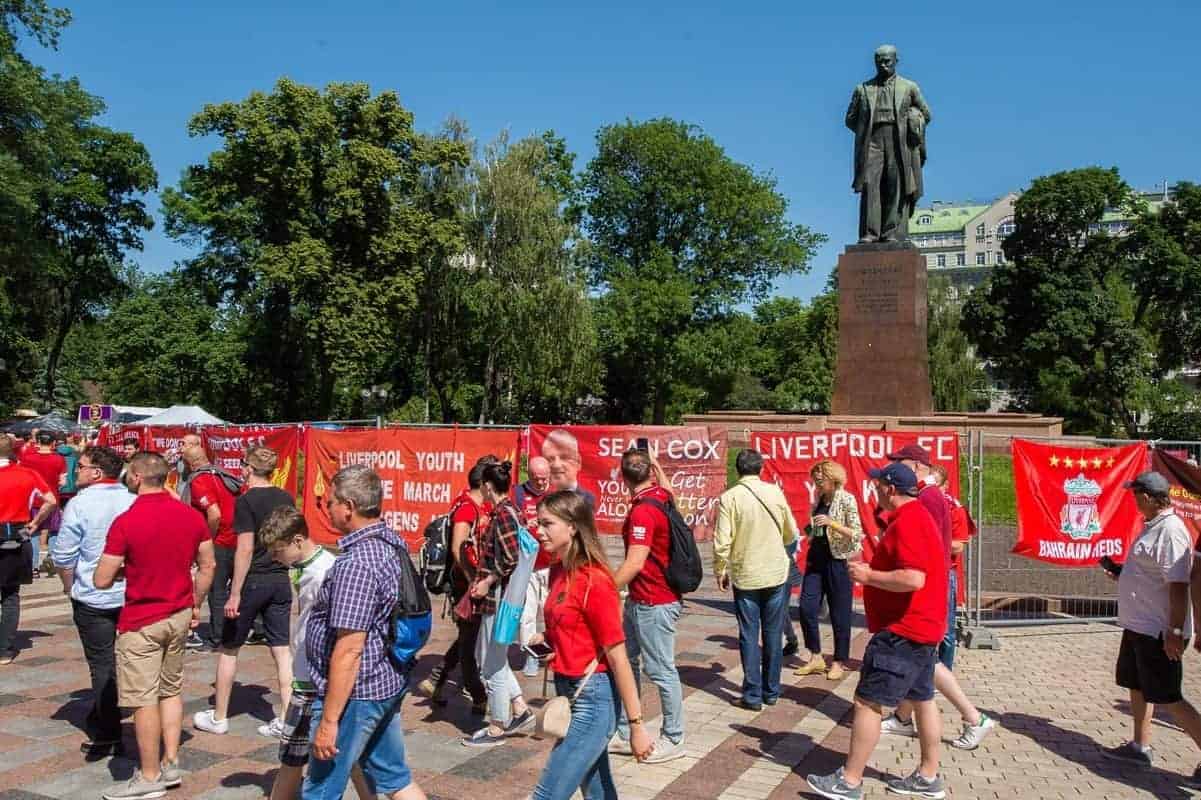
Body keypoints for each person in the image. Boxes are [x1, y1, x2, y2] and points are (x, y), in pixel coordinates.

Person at [807, 463, 947, 800]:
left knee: (867, 702)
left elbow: (914, 578)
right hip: (923, 628)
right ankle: (928, 776)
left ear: (890, 488)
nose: (874, 490)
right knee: (922, 698)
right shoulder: (915, 516)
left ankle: (849, 781)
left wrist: (869, 577)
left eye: (877, 484)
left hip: (903, 630)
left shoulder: (910, 521)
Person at [94, 452, 216, 800]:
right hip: (178, 613)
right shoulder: (190, 516)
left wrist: (126, 570)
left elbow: (102, 579)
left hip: (141, 619)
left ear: (135, 476)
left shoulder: (127, 521)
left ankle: (149, 777)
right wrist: (196, 602)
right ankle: (171, 760)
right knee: (170, 689)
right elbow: (207, 566)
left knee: (142, 698)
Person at [302, 464, 428, 800]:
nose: (327, 508)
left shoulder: (358, 563)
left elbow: (349, 648)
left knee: (320, 789)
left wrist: (329, 721)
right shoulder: (390, 541)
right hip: (384, 679)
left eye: (330, 502)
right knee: (395, 779)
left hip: (357, 692)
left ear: (349, 507)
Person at [527, 490, 654, 798]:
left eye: (547, 524)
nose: (539, 531)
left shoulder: (595, 581)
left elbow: (619, 658)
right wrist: (551, 641)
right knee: (597, 789)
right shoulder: (559, 570)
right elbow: (572, 626)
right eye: (538, 523)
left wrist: (637, 726)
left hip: (593, 698)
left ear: (572, 526)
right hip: (569, 688)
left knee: (548, 793)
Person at [258, 505, 373, 800]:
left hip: (313, 677)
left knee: (293, 754)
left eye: (278, 550)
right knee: (348, 754)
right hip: (312, 673)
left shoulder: (322, 573)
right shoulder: (311, 567)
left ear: (298, 541)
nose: (275, 558)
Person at [881, 458, 996, 751]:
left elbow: (944, 543)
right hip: (930, 583)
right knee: (921, 662)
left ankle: (973, 717)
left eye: (904, 464)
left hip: (929, 585)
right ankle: (905, 719)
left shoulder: (932, 499)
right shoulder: (928, 498)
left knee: (926, 657)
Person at [1101, 471, 1201, 783]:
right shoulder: (1153, 527)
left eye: (1135, 495)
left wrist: (1173, 631)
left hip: (1158, 629)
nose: (1133, 500)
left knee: (1169, 696)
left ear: (1146, 496)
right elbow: (1150, 573)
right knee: (1137, 685)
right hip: (1138, 625)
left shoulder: (1170, 531)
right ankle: (1140, 746)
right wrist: (1122, 573)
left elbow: (1177, 584)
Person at [193, 445, 295, 738]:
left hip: (253, 581)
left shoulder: (246, 500)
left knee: (229, 649)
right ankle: (287, 718)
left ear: (248, 468)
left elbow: (245, 548)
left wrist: (234, 592)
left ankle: (219, 716)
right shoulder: (285, 497)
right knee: (281, 650)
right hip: (279, 578)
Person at [51, 445, 136, 757]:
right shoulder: (132, 499)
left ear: (97, 472)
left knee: (101, 662)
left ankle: (108, 731)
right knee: (126, 659)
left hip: (93, 593)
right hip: (128, 592)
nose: (76, 471)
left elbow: (63, 554)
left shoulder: (80, 503)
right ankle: (110, 713)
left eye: (82, 466)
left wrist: (68, 586)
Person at [609, 448, 686, 763]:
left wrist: (606, 588)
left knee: (661, 669)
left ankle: (674, 737)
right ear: (650, 473)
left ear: (622, 477)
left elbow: (635, 561)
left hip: (654, 601)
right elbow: (671, 492)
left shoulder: (643, 511)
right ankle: (627, 731)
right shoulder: (661, 495)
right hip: (644, 599)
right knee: (627, 662)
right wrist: (657, 466)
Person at [714, 448, 799, 710]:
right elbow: (791, 532)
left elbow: (722, 541)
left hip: (746, 573)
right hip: (776, 571)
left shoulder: (730, 498)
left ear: (737, 470)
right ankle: (771, 691)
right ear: (761, 469)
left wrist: (721, 569)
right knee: (773, 634)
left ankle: (752, 695)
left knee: (749, 635)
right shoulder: (775, 492)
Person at [464, 460, 536, 747]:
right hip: (503, 600)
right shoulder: (508, 512)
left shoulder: (504, 514)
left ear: (487, 485)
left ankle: (497, 725)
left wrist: (486, 581)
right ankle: (519, 708)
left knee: (490, 663)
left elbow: (509, 558)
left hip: (499, 600)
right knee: (494, 657)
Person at [415, 457, 491, 713]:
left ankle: (437, 679)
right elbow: (459, 547)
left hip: (468, 581)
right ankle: (479, 697)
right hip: (465, 584)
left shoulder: (471, 503)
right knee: (469, 641)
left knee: (468, 637)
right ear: (483, 483)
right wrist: (473, 580)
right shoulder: (467, 508)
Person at [845, 44, 932, 243]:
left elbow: (926, 113)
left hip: (898, 139)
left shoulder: (909, 87)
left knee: (896, 184)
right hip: (872, 139)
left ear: (896, 62)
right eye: (879, 62)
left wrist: (913, 120)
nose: (883, 65)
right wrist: (865, 131)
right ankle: (869, 233)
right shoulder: (863, 89)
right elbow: (850, 119)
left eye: (887, 61)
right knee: (870, 184)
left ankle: (891, 232)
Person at [794, 459, 863, 682]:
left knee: (839, 613)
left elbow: (857, 533)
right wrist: (811, 530)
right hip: (817, 559)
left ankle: (839, 660)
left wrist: (832, 523)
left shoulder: (846, 499)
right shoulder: (819, 499)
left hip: (839, 561)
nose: (817, 485)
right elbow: (816, 524)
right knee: (806, 606)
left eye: (820, 481)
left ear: (833, 479)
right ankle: (815, 656)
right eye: (815, 481)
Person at [179, 432, 241, 649]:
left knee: (216, 590)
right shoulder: (223, 474)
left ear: (190, 463)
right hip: (237, 537)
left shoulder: (200, 481)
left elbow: (214, 513)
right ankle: (248, 629)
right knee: (238, 586)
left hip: (220, 541)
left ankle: (217, 638)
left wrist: (208, 538)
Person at [0, 435, 58, 663]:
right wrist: (35, 523)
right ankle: (4, 649)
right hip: (16, 533)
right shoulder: (27, 474)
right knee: (10, 595)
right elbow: (51, 500)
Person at [516, 455, 553, 675]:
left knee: (550, 610)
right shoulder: (519, 494)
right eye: (537, 479)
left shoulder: (555, 494)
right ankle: (531, 654)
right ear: (529, 476)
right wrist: (523, 524)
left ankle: (552, 650)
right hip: (527, 565)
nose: (541, 483)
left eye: (544, 478)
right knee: (527, 613)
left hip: (552, 563)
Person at [21, 430, 66, 577]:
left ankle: (33, 568)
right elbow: (62, 482)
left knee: (33, 532)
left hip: (33, 501)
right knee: (54, 531)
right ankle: (52, 560)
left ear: (38, 441)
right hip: (52, 500)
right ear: (53, 443)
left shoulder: (27, 458)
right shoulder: (59, 459)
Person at [542, 429, 597, 508]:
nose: (556, 465)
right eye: (550, 459)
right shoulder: (541, 499)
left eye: (564, 457)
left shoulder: (587, 499)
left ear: (578, 462)